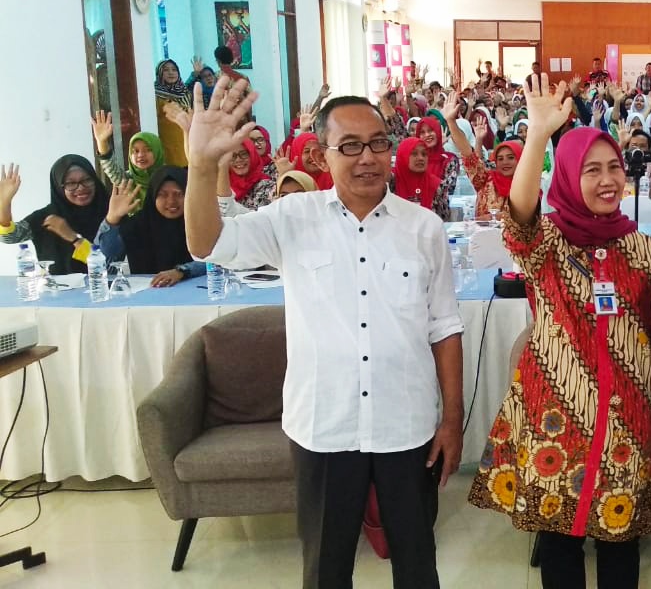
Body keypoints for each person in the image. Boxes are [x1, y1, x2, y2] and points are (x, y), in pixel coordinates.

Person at [185, 78, 465, 589]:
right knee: (326, 567)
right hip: (324, 425)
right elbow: (208, 243)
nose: (368, 158)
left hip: (406, 424)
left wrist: (453, 417)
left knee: (417, 563)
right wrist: (202, 168)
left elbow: (444, 327)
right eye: (350, 146)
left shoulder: (423, 228)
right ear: (322, 153)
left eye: (378, 143)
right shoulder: (292, 218)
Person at [468, 81, 651, 589]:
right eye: (591, 170)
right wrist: (539, 133)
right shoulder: (547, 245)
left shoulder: (644, 249)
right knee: (560, 542)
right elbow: (517, 217)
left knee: (620, 540)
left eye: (613, 168)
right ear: (566, 176)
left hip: (631, 417)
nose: (608, 181)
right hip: (556, 417)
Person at [96, 168, 206, 288]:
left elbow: (217, 261)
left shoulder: (201, 223)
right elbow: (104, 259)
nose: (171, 201)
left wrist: (182, 271)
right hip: (147, 296)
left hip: (195, 294)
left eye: (179, 194)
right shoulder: (139, 224)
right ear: (153, 196)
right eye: (162, 195)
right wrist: (112, 219)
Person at [0, 157, 106, 274]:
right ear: (58, 187)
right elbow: (10, 237)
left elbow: (108, 263)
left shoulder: (109, 213)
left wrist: (73, 237)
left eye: (87, 180)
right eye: (71, 183)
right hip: (55, 289)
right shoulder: (46, 217)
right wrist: (5, 202)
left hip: (100, 287)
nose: (81, 187)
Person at [442, 94, 522, 222]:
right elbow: (469, 155)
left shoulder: (527, 184)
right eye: (500, 159)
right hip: (483, 239)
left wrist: (494, 218)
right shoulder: (486, 180)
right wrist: (451, 122)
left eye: (511, 157)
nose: (505, 162)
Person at [91, 111, 167, 212]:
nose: (140, 155)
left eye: (148, 149)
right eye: (135, 151)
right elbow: (110, 168)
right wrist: (102, 142)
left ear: (158, 151)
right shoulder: (128, 181)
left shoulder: (169, 177)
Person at [155, 59, 191, 167]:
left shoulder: (186, 93)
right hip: (168, 151)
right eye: (166, 70)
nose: (171, 72)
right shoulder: (155, 95)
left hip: (188, 149)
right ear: (159, 73)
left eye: (174, 70)